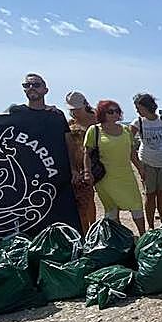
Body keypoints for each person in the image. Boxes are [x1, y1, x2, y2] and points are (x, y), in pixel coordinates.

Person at [11, 73, 82, 196]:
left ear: (45, 90)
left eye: (36, 85)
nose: (31, 87)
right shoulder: (15, 112)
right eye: (27, 85)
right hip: (25, 173)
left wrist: (74, 168)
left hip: (53, 171)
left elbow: (69, 143)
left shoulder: (56, 115)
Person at [82, 99, 146, 234]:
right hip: (105, 177)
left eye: (117, 111)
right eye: (110, 111)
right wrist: (87, 172)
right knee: (111, 210)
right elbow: (87, 154)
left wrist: (141, 169)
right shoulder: (94, 130)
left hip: (126, 175)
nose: (115, 114)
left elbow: (132, 154)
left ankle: (143, 235)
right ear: (102, 113)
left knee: (137, 206)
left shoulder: (126, 130)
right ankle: (120, 239)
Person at [129, 93, 162, 229]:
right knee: (150, 195)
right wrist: (138, 166)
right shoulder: (138, 122)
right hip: (147, 162)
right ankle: (151, 227)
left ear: (146, 106)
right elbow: (128, 142)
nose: (137, 110)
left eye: (138, 107)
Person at [65, 91, 98, 232]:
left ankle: (93, 228)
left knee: (91, 200)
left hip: (95, 165)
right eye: (71, 110)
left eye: (76, 109)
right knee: (82, 202)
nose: (74, 112)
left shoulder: (97, 120)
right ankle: (85, 231)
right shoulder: (70, 123)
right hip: (77, 166)